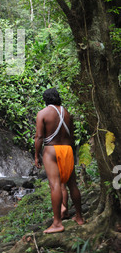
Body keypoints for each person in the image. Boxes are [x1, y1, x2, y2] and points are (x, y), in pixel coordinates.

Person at [34, 88, 84, 233]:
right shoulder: (67, 113)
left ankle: (57, 223)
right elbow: (72, 135)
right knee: (72, 184)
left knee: (55, 185)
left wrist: (37, 155)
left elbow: (39, 137)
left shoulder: (43, 113)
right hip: (67, 150)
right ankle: (79, 217)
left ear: (45, 100)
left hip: (51, 150)